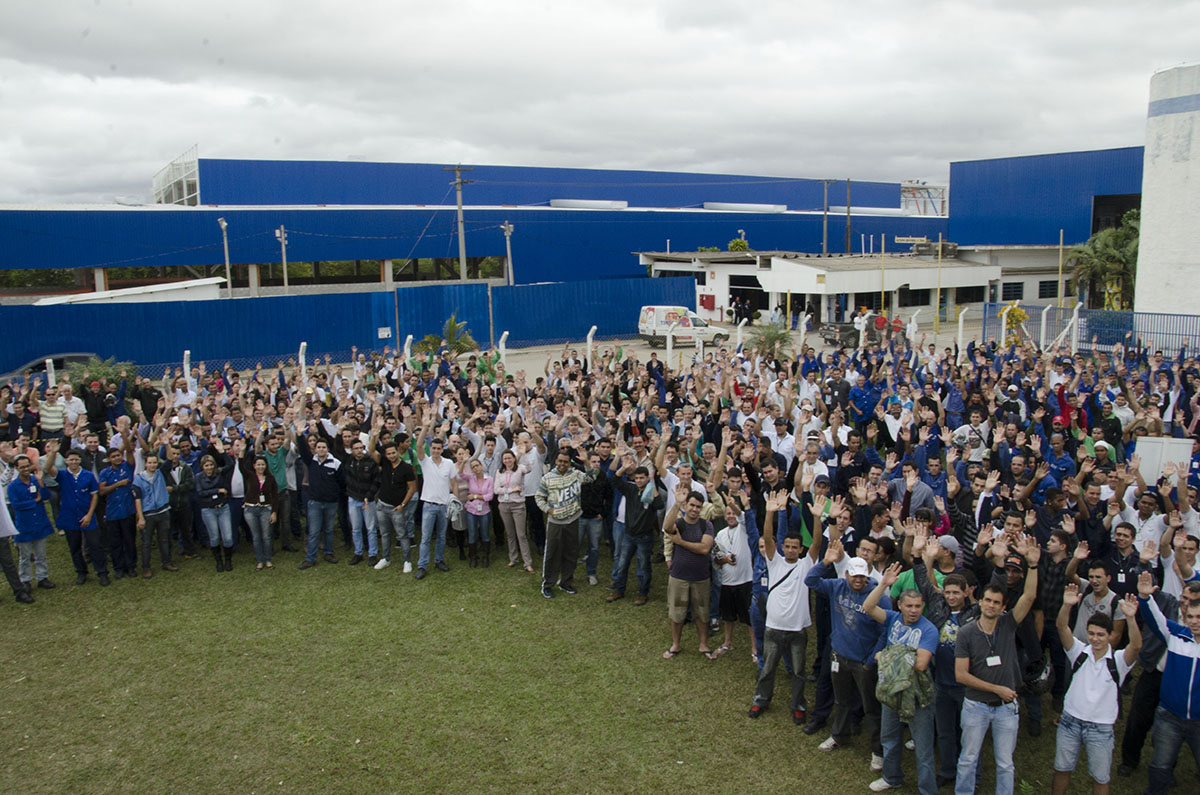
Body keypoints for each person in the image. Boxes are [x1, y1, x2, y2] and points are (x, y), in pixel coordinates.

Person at [953, 532, 1040, 795]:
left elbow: (1029, 597)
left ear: (1004, 607)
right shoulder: (966, 632)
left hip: (1005, 708)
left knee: (1005, 763)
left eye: (996, 602)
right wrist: (997, 689)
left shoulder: (1008, 624)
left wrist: (1033, 565)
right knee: (968, 759)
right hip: (976, 706)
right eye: (987, 600)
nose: (990, 605)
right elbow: (961, 675)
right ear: (980, 601)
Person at [805, 538, 889, 770]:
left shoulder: (879, 595)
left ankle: (878, 752)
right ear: (847, 575)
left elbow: (886, 630)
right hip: (839, 656)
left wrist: (873, 656)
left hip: (863, 662)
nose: (858, 580)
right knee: (841, 701)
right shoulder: (836, 586)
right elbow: (810, 581)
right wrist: (825, 562)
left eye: (862, 576)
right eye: (854, 576)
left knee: (871, 707)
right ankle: (839, 735)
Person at [1051, 583, 1141, 795]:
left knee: (1100, 777)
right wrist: (1066, 605)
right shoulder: (1079, 652)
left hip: (1101, 729)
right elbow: (1062, 628)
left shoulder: (1118, 661)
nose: (1095, 639)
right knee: (1062, 769)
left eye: (1100, 635)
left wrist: (1130, 618)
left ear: (1110, 635)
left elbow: (1136, 646)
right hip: (1070, 722)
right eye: (1091, 634)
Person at [863, 561, 939, 795]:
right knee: (890, 738)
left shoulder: (928, 630)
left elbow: (920, 663)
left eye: (918, 606)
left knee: (924, 749)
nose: (914, 610)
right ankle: (891, 777)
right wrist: (883, 584)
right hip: (891, 691)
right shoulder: (893, 618)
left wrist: (886, 656)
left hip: (917, 695)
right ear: (900, 605)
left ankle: (928, 790)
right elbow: (868, 606)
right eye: (909, 606)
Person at [748, 489, 818, 722]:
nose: (790, 550)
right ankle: (761, 700)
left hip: (797, 629)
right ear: (782, 547)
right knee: (768, 669)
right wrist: (770, 513)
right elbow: (767, 539)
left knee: (798, 671)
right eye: (786, 546)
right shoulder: (774, 561)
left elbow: (817, 542)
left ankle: (798, 704)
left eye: (794, 547)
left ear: (800, 549)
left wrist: (817, 518)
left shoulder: (807, 564)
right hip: (774, 627)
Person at [1137, 569, 1200, 795]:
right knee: (1160, 766)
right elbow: (1157, 620)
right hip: (1169, 717)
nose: (1194, 622)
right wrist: (1145, 598)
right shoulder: (1176, 635)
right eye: (1190, 617)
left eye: (1199, 617)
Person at [660, 486, 715, 656]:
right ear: (686, 505)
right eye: (692, 505)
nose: (694, 509)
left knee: (702, 613)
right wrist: (676, 504)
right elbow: (667, 526)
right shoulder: (679, 523)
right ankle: (675, 644)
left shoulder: (706, 525)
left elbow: (705, 548)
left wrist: (680, 542)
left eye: (698, 506)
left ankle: (703, 644)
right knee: (677, 614)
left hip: (701, 576)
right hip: (679, 575)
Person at [534, 450, 596, 598]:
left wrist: (586, 462)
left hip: (573, 520)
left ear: (569, 463)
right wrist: (548, 510)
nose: (562, 464)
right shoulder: (547, 478)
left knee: (571, 553)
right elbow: (539, 497)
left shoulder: (576, 474)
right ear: (556, 461)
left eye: (565, 462)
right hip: (555, 522)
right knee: (552, 554)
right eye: (560, 461)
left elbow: (592, 477)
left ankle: (566, 582)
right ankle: (548, 584)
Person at [45, 446, 109, 586]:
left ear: (80, 460)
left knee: (95, 545)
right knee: (74, 546)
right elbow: (48, 467)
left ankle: (102, 572)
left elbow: (94, 496)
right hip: (69, 517)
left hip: (87, 516)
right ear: (66, 461)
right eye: (70, 459)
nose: (73, 462)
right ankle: (81, 572)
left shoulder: (88, 475)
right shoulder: (62, 475)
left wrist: (89, 515)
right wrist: (54, 452)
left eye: (76, 459)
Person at [607, 462, 664, 605]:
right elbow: (614, 479)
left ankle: (643, 594)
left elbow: (659, 505)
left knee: (643, 567)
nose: (638, 480)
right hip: (629, 534)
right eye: (636, 478)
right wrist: (623, 468)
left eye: (642, 478)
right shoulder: (630, 489)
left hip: (645, 537)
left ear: (647, 478)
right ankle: (619, 591)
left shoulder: (650, 493)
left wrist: (652, 484)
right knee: (622, 564)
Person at [413, 409, 458, 579]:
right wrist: (425, 427)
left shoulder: (449, 463)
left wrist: (454, 497)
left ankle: (439, 560)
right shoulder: (425, 462)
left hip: (444, 505)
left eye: (439, 448)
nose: (437, 451)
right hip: (429, 505)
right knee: (425, 538)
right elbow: (418, 445)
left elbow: (453, 482)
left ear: (442, 448)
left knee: (441, 536)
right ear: (430, 448)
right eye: (434, 448)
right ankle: (422, 565)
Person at [296, 424, 343, 570]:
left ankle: (328, 553)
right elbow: (303, 449)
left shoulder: (335, 463)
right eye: (318, 447)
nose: (321, 449)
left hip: (331, 502)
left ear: (328, 449)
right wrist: (299, 435)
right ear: (315, 449)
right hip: (315, 502)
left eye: (324, 447)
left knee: (328, 530)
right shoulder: (311, 461)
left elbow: (341, 482)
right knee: (314, 531)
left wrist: (334, 495)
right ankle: (310, 558)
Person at [7, 455, 55, 592]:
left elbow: (46, 496)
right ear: (17, 469)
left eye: (27, 466)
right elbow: (16, 505)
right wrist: (34, 501)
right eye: (22, 467)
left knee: (41, 554)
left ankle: (42, 577)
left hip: (39, 522)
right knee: (25, 556)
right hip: (24, 525)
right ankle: (25, 580)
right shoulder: (13, 486)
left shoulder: (35, 480)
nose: (25, 469)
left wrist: (40, 482)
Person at [371, 438, 417, 572]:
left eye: (393, 453)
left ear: (397, 451)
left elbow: (412, 488)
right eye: (389, 453)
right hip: (381, 505)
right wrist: (374, 435)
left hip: (397, 508)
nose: (391, 455)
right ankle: (385, 558)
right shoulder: (384, 462)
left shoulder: (406, 468)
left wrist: (403, 504)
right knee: (385, 534)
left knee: (402, 535)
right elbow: (371, 450)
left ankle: (407, 561)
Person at [132, 452, 178, 578]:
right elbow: (137, 499)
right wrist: (140, 517)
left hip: (163, 511)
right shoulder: (138, 478)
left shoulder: (161, 473)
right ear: (145, 463)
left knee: (164, 539)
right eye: (150, 462)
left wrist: (166, 443)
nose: (152, 465)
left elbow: (170, 458)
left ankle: (166, 562)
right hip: (148, 514)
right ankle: (146, 567)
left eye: (154, 462)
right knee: (146, 542)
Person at [195, 444, 236, 572]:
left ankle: (228, 560)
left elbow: (230, 464)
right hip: (208, 509)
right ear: (202, 467)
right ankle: (219, 561)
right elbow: (200, 493)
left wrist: (223, 452)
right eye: (206, 465)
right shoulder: (198, 477)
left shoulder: (219, 473)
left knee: (228, 537)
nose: (209, 467)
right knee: (214, 537)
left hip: (223, 507)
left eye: (211, 464)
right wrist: (217, 490)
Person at [495, 448, 534, 573]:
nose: (507, 460)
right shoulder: (499, 472)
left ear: (513, 459)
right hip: (504, 505)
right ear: (502, 460)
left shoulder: (520, 468)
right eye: (505, 458)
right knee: (510, 534)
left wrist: (523, 455)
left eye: (509, 458)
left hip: (518, 505)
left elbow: (529, 468)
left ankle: (527, 563)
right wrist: (510, 490)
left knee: (521, 534)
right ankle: (513, 558)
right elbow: (496, 490)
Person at [241, 454, 279, 570]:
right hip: (250, 509)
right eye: (258, 465)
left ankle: (268, 559)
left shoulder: (270, 478)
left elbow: (275, 496)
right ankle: (259, 560)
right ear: (254, 466)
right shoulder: (250, 476)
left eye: (262, 464)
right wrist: (242, 454)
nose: (260, 467)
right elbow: (241, 467)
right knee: (256, 536)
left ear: (266, 465)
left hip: (265, 509)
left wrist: (274, 512)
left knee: (266, 536)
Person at [462, 458, 494, 568]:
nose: (476, 468)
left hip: (484, 510)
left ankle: (486, 557)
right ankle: (473, 557)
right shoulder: (471, 478)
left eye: (477, 465)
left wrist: (475, 496)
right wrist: (463, 462)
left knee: (485, 533)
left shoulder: (489, 479)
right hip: (471, 509)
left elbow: (489, 496)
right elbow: (460, 474)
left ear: (481, 465)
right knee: (472, 533)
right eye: (473, 467)